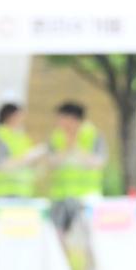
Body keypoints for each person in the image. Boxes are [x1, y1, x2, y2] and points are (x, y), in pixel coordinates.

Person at [45, 101, 105, 249]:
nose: (59, 123)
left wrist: (75, 148)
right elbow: (50, 163)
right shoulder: (56, 137)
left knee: (91, 236)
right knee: (58, 234)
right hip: (61, 195)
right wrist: (66, 148)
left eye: (62, 118)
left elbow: (99, 162)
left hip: (86, 196)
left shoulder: (93, 136)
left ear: (73, 119)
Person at [0, 102, 42, 199]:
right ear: (9, 116)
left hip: (23, 192)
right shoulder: (0, 136)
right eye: (19, 116)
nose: (22, 119)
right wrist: (26, 158)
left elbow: (30, 164)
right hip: (4, 193)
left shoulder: (22, 138)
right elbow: (0, 164)